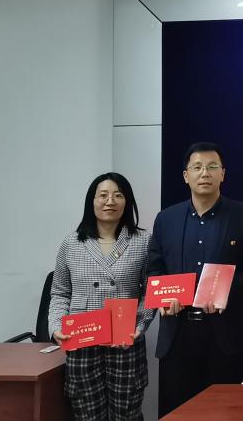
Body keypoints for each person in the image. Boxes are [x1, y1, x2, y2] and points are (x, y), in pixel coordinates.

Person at [147, 142, 243, 415]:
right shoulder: (166, 219)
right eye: (197, 167)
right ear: (186, 176)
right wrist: (162, 300)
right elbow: (154, 267)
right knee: (179, 410)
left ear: (223, 174)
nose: (205, 173)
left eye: (212, 167)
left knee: (227, 412)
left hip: (227, 332)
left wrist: (226, 292)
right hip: (178, 332)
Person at [48, 172, 154, 421]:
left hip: (125, 341)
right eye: (103, 195)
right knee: (87, 415)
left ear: (127, 201)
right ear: (91, 201)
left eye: (118, 195)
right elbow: (60, 292)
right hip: (82, 341)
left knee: (126, 415)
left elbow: (149, 291)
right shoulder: (72, 243)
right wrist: (56, 326)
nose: (110, 201)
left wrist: (140, 325)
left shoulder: (143, 241)